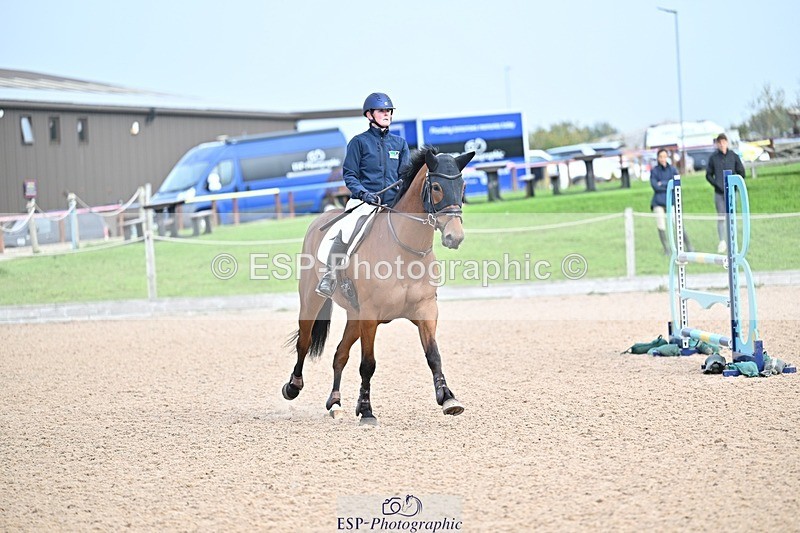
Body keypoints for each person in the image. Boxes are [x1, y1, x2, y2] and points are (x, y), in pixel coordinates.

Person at [316, 92, 410, 298]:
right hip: (364, 203)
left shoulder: (400, 144)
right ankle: (330, 276)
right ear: (369, 115)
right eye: (382, 111)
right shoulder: (358, 143)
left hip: (393, 205)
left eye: (389, 111)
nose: (386, 114)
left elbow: (405, 175)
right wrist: (364, 194)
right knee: (346, 228)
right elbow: (349, 175)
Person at [705, 133, 745, 253]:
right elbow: (708, 175)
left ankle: (733, 240)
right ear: (717, 144)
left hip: (732, 192)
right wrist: (716, 184)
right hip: (719, 192)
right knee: (721, 216)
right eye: (720, 142)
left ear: (727, 142)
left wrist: (734, 184)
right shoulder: (713, 158)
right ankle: (722, 241)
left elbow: (741, 172)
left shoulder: (733, 156)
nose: (722, 144)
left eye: (724, 142)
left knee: (731, 215)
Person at [651, 148, 692, 255]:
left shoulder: (672, 169)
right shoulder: (654, 171)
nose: (663, 159)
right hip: (659, 202)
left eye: (664, 156)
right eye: (661, 157)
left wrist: (663, 184)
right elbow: (655, 186)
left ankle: (689, 245)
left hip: (672, 201)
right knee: (661, 225)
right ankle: (666, 248)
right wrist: (668, 185)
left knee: (678, 224)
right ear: (658, 158)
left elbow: (676, 183)